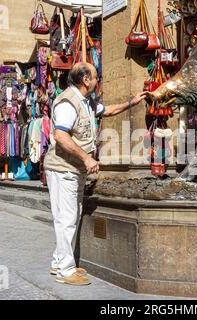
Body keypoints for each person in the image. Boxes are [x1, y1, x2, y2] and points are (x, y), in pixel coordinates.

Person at [44, 62, 147, 286]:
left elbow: (107, 110)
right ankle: (64, 270)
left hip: (74, 169)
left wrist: (132, 102)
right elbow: (61, 135)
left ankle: (59, 261)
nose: (98, 79)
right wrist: (86, 157)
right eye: (95, 76)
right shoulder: (67, 103)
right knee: (67, 219)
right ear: (85, 80)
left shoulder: (86, 102)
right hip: (63, 168)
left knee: (71, 216)